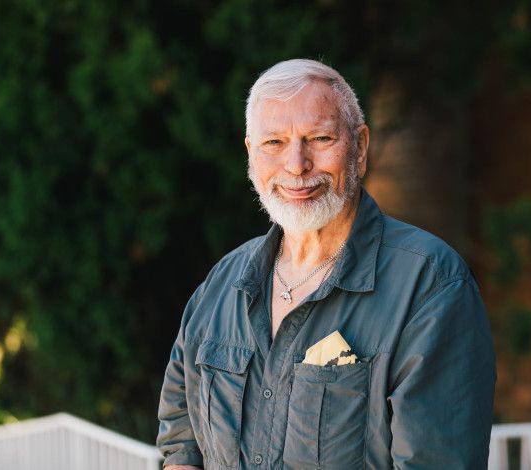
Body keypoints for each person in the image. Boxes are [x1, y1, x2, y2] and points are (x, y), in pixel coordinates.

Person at [157, 58, 496, 470]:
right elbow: (182, 440)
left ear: (360, 148)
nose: (296, 165)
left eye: (318, 138)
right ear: (251, 154)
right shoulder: (221, 283)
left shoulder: (431, 284)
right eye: (274, 143)